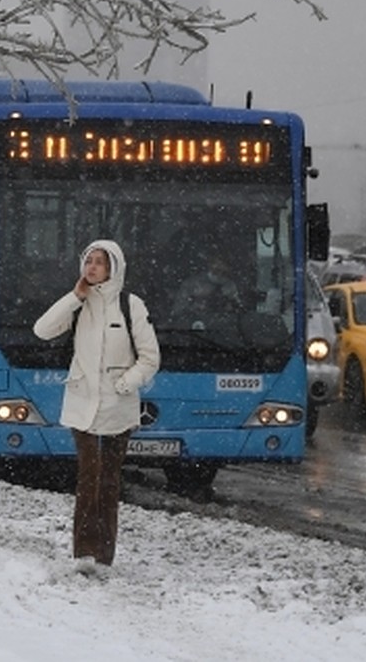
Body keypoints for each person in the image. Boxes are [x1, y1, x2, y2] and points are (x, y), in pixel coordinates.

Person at [33, 239, 160, 574]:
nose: (92, 267)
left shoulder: (130, 305)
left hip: (119, 408)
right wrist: (75, 296)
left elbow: (150, 358)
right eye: (88, 261)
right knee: (88, 478)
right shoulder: (79, 303)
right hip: (82, 405)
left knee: (109, 481)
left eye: (99, 262)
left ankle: (105, 555)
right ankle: (84, 554)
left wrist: (125, 384)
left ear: (113, 267)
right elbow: (42, 330)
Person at [172, 251, 243, 325]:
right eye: (216, 263)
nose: (219, 267)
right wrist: (195, 308)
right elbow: (178, 311)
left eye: (223, 264)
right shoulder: (192, 283)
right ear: (209, 264)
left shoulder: (230, 287)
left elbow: (236, 312)